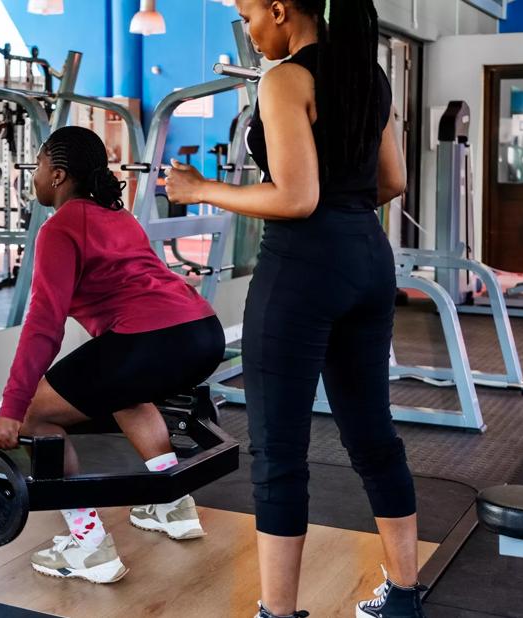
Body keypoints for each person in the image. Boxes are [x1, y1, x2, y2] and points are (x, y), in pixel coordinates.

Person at [165, 1, 421, 616]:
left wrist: (200, 189)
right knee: (373, 435)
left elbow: (297, 197)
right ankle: (405, 599)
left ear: (280, 11)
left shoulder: (286, 79)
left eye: (250, 16)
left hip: (302, 271)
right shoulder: (368, 74)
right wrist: (345, 204)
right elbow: (393, 180)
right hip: (367, 258)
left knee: (279, 450)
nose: (250, 33)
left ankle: (278, 614)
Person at [0, 126, 226, 584]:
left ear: (57, 175)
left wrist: (12, 410)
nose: (34, 174)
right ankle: (173, 507)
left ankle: (90, 546)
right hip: (203, 333)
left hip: (151, 340)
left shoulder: (59, 227)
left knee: (39, 416)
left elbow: (43, 326)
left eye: (38, 165)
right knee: (125, 391)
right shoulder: (118, 217)